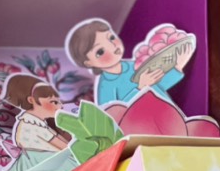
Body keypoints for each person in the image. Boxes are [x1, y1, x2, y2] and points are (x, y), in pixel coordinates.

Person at [65, 18, 199, 137]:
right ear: (89, 63)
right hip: (141, 131)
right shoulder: (105, 85)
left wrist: (177, 67)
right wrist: (140, 88)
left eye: (111, 38)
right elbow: (112, 117)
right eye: (100, 51)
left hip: (169, 119)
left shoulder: (135, 65)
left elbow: (159, 85)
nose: (112, 46)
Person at [2, 74, 78, 171]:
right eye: (54, 102)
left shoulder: (36, 123)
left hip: (47, 165)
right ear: (31, 100)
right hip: (47, 167)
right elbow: (66, 147)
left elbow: (62, 143)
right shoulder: (31, 125)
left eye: (59, 102)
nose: (60, 106)